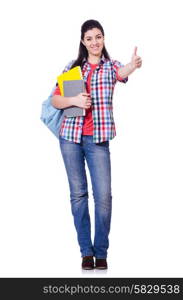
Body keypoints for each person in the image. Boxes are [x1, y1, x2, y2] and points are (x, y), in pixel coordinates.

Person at [51, 19, 142, 270]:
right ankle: (85, 253)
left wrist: (132, 66)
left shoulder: (110, 67)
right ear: (83, 41)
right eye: (89, 38)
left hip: (97, 140)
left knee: (103, 197)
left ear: (104, 39)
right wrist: (75, 100)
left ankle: (101, 251)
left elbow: (121, 72)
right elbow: (56, 101)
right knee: (78, 196)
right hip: (70, 138)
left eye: (98, 36)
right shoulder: (73, 68)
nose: (94, 42)